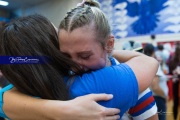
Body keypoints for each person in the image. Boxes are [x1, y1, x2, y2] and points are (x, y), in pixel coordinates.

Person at [0, 14, 158, 120]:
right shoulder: (92, 86)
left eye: (83, 55)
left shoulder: (21, 98)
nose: (75, 63)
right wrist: (104, 50)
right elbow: (149, 63)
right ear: (52, 52)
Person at [144, 44, 168, 120]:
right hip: (158, 98)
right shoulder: (153, 64)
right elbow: (155, 87)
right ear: (154, 51)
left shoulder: (144, 63)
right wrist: (164, 95)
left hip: (149, 97)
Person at [167, 43, 180, 120]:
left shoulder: (171, 60)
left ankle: (175, 118)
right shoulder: (171, 59)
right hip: (176, 82)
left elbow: (170, 72)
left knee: (175, 102)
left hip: (175, 83)